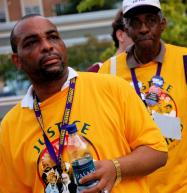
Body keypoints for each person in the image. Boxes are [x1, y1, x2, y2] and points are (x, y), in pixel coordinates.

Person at [0, 14, 168, 193]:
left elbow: (157, 152)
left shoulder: (112, 88)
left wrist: (115, 168)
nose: (47, 46)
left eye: (53, 37)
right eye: (32, 42)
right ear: (17, 60)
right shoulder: (9, 127)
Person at [99, 0, 187, 193]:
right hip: (138, 186)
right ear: (126, 28)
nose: (143, 29)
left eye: (150, 20)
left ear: (163, 24)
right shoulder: (109, 70)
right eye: (135, 23)